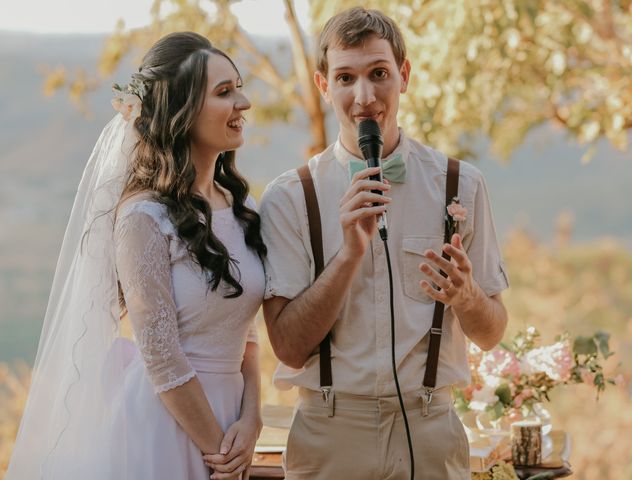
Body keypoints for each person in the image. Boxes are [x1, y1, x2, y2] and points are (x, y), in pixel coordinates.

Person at [260, 7, 509, 480]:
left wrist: (466, 295)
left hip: (430, 428)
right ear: (323, 86)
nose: (365, 97)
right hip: (331, 432)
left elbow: (492, 331)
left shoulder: (461, 185)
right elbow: (289, 348)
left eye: (379, 74)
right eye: (346, 78)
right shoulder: (291, 197)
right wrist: (349, 255)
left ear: (404, 76)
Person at [7, 32, 265, 480]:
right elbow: (161, 355)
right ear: (181, 111)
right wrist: (217, 453)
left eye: (238, 87)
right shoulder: (143, 217)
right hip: (169, 428)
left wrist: (253, 417)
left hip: (233, 426)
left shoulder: (238, 208)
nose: (242, 102)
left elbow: (246, 332)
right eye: (224, 92)